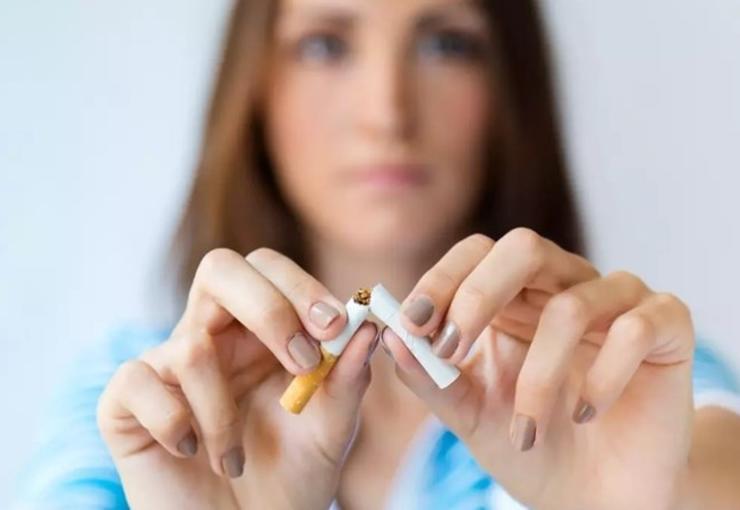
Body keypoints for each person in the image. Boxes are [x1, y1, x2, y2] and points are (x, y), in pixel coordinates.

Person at [15, 0, 740, 508]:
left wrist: (651, 503)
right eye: (325, 44)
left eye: (446, 43)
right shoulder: (143, 406)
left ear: (509, 87)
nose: (387, 112)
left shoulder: (623, 375)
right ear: (255, 87)